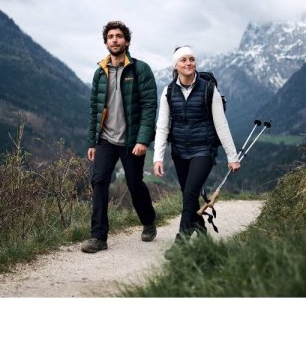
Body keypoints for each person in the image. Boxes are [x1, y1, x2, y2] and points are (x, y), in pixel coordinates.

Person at [153, 45, 240, 258]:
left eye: (191, 59)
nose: (188, 63)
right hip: (179, 152)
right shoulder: (168, 92)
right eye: (183, 60)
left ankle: (181, 243)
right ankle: (201, 232)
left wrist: (232, 156)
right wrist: (157, 157)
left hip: (204, 150)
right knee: (189, 196)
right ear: (175, 66)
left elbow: (221, 125)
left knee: (190, 194)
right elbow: (162, 126)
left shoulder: (209, 90)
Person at [81, 20, 158, 253]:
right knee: (99, 181)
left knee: (134, 184)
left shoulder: (140, 69)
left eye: (119, 36)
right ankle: (98, 237)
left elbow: (149, 107)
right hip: (106, 139)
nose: (114, 40)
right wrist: (92, 141)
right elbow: (95, 109)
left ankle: (148, 221)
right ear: (106, 42)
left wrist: (143, 140)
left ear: (127, 41)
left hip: (131, 140)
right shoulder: (100, 73)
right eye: (110, 37)